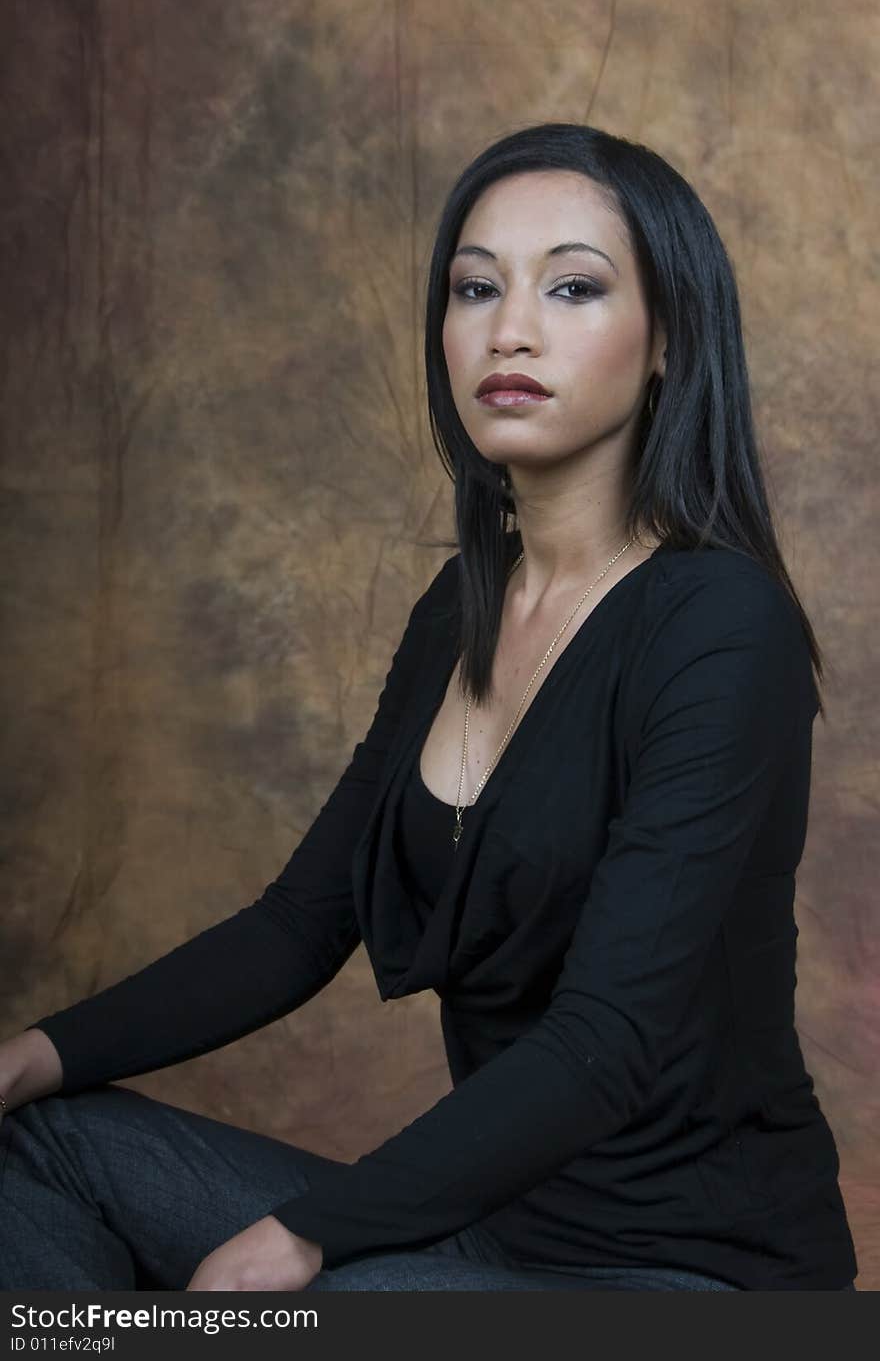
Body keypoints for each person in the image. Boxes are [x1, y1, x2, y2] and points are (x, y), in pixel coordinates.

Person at [0, 122, 859, 1292]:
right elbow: (297, 925)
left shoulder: (720, 625)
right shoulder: (460, 606)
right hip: (484, 1227)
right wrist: (28, 1058)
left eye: (571, 287)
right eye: (473, 287)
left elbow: (602, 1047)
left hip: (688, 1272)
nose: (509, 329)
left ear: (667, 341)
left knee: (333, 1293)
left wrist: (305, 1234)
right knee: (31, 1141)